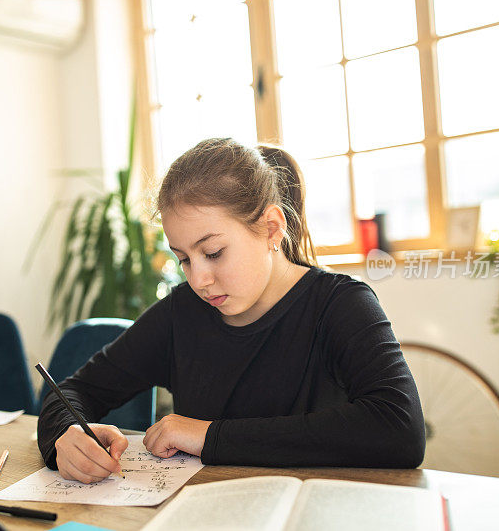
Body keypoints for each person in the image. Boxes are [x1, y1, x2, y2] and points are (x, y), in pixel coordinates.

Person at [37, 138, 425, 484]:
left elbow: (399, 430)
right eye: (184, 259)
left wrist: (209, 436)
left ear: (272, 228)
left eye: (213, 253)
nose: (199, 279)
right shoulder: (180, 314)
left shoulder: (341, 305)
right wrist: (65, 436)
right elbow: (74, 390)